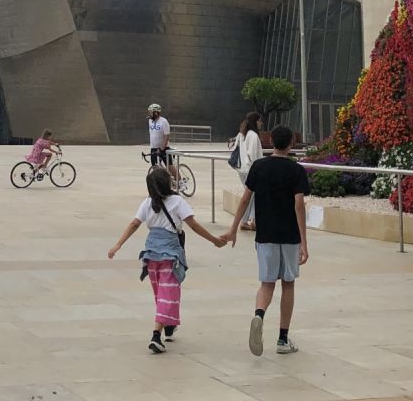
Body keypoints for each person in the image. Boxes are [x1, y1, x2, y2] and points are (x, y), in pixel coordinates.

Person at [108, 166, 227, 353]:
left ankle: (168, 325)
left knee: (161, 293)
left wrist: (117, 245)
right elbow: (193, 225)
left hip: (151, 255)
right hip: (170, 255)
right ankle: (156, 335)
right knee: (168, 293)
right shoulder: (177, 202)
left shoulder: (147, 203)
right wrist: (214, 241)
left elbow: (134, 224)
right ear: (168, 182)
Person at [223, 124, 309, 356]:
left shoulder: (259, 168)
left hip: (266, 235)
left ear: (271, 142)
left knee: (267, 283)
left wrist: (233, 229)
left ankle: (259, 315)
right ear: (290, 144)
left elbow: (244, 200)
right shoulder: (296, 171)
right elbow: (299, 205)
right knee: (288, 283)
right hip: (289, 235)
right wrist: (304, 241)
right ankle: (282, 338)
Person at [234, 112, 264, 231]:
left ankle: (251, 221)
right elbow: (252, 155)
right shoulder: (253, 136)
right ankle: (246, 221)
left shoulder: (241, 134)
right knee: (251, 196)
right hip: (251, 169)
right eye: (259, 121)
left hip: (242, 169)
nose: (261, 123)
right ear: (255, 121)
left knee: (251, 196)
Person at [146, 104, 172, 168]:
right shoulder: (150, 121)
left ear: (156, 113)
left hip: (164, 148)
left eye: (151, 112)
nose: (149, 114)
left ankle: (178, 178)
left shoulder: (164, 121)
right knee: (155, 167)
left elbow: (167, 136)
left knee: (170, 167)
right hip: (153, 148)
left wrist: (161, 148)